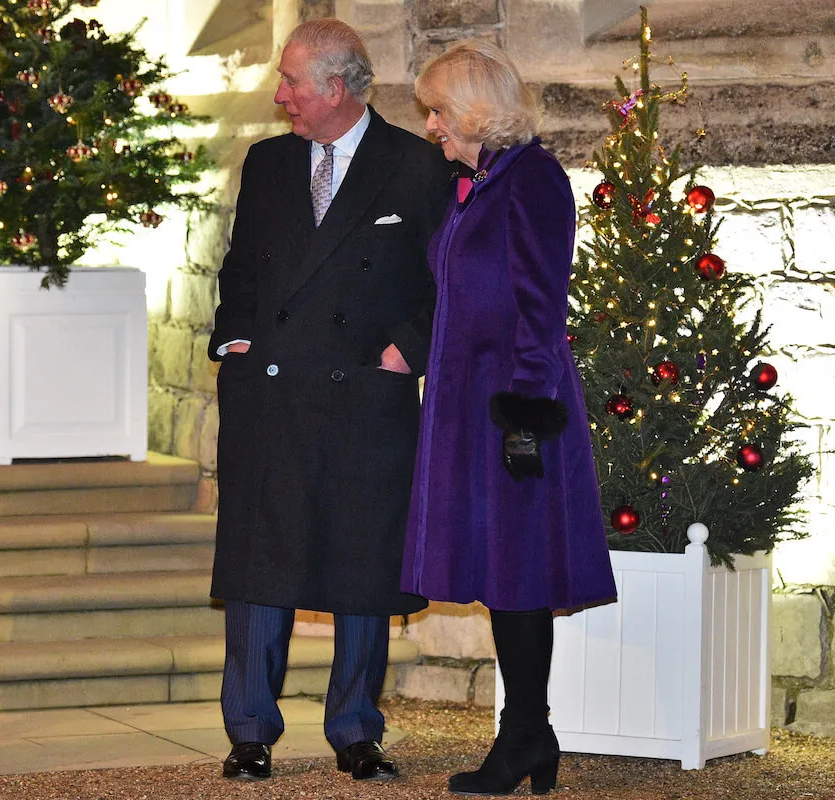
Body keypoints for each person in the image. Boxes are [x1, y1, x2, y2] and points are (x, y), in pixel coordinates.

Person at [208, 18, 452, 783]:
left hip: (362, 400)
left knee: (360, 566)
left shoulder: (416, 167)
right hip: (271, 397)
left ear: (337, 89)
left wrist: (404, 351)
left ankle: (355, 728)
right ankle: (250, 730)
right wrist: (234, 339)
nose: (281, 97)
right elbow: (241, 270)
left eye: (292, 84)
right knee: (260, 565)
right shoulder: (271, 162)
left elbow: (447, 280)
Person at [401, 40, 618, 796]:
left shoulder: (533, 181)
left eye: (437, 110)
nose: (430, 126)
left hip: (513, 402)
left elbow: (539, 303)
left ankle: (525, 733)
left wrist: (523, 415)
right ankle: (531, 732)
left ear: (474, 111)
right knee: (501, 570)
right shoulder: (484, 179)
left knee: (518, 569)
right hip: (469, 398)